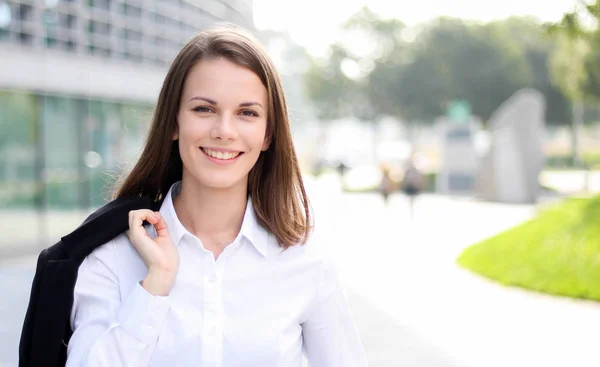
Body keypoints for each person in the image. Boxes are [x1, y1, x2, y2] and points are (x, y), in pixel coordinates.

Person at [66, 26, 368, 366]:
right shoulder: (112, 255)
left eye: (247, 113)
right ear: (174, 122)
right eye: (204, 109)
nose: (224, 131)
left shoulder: (305, 260)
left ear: (268, 134)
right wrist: (155, 284)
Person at [402, 152, 424, 219]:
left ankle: (412, 210)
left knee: (412, 200)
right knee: (410, 200)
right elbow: (405, 178)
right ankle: (411, 210)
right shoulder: (408, 170)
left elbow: (418, 178)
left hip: (413, 187)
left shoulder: (415, 170)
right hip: (410, 187)